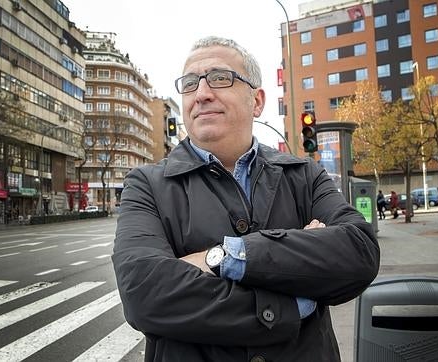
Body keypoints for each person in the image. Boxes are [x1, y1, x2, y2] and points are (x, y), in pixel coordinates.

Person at [112, 36, 380, 361]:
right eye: (189, 83)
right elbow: (145, 294)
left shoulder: (303, 175)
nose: (202, 94)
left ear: (257, 100)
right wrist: (292, 303)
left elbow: (359, 252)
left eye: (220, 78)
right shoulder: (146, 185)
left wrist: (224, 257)